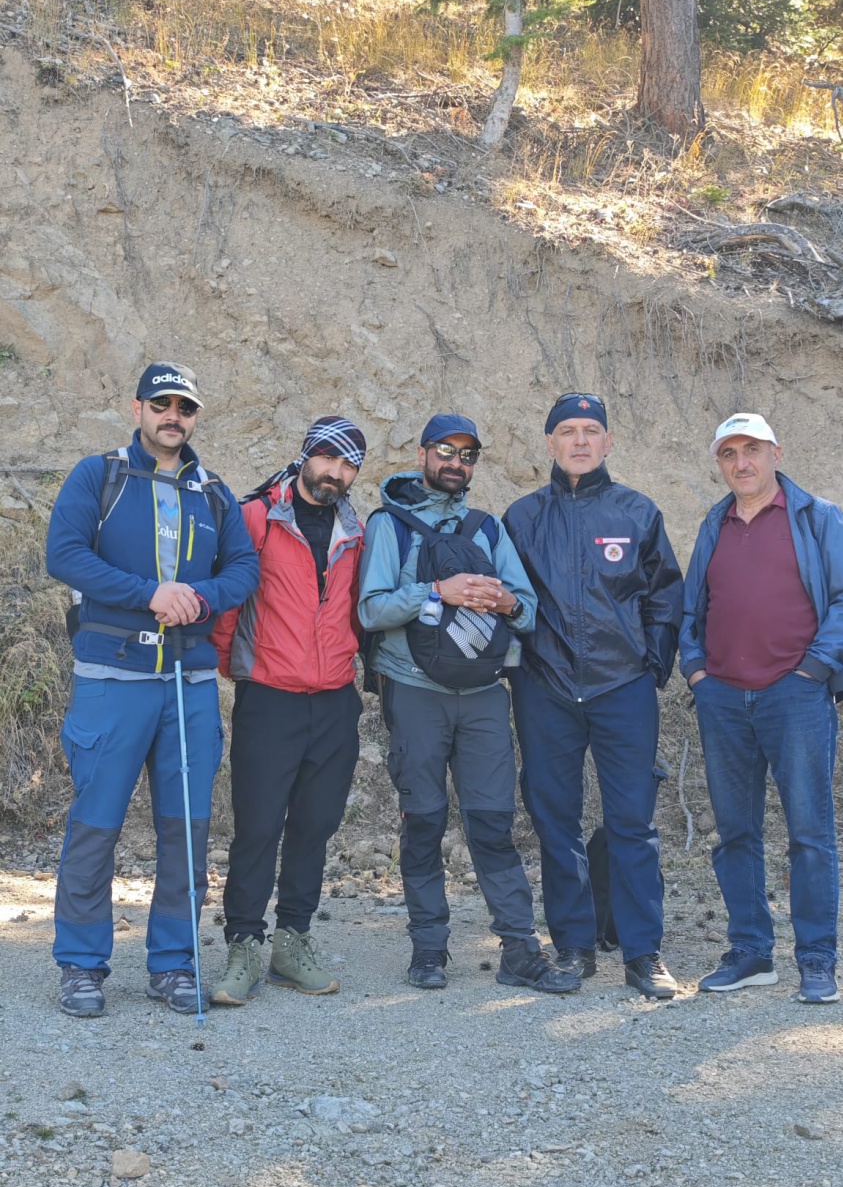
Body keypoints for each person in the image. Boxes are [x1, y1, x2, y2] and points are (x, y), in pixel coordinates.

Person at [46, 362, 259, 1018]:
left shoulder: (213, 491)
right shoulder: (98, 475)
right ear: (135, 406)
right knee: (96, 825)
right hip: (113, 678)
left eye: (185, 407)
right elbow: (65, 553)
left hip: (188, 682)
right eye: (161, 403)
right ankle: (81, 965)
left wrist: (200, 598)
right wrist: (149, 594)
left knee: (185, 830)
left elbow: (245, 566)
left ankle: (173, 964)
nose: (173, 416)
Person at [358, 413, 577, 996]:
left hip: (484, 694)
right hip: (413, 690)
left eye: (468, 454)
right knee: (424, 820)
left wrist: (504, 599)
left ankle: (519, 951)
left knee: (493, 823)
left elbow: (528, 610)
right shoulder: (389, 526)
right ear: (423, 454)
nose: (456, 463)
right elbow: (371, 610)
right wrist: (437, 590)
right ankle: (428, 948)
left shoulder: (487, 528)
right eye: (445, 451)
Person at [503, 394, 684, 1000]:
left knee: (632, 823)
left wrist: (650, 668)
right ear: (550, 443)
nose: (580, 441)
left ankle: (644, 953)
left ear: (608, 443)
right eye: (568, 431)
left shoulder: (637, 511)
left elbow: (664, 596)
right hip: (546, 688)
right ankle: (574, 946)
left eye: (592, 431)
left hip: (622, 688)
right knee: (556, 821)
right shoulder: (521, 518)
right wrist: (523, 671)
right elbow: (509, 599)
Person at [681, 412, 843, 1004]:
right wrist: (696, 670)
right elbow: (691, 607)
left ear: (777, 452)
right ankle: (751, 952)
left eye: (752, 449)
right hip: (722, 696)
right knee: (735, 832)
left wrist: (815, 670)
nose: (741, 463)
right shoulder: (713, 523)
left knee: (810, 832)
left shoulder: (819, 518)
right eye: (729, 454)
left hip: (794, 695)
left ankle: (818, 960)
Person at [209, 417, 367, 1006]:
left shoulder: (358, 529)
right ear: (306, 456)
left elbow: (359, 610)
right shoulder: (256, 518)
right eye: (328, 459)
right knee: (257, 826)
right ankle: (245, 945)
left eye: (349, 465)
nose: (336, 473)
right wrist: (238, 669)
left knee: (315, 825)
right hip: (269, 697)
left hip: (333, 699)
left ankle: (292, 941)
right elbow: (229, 601)